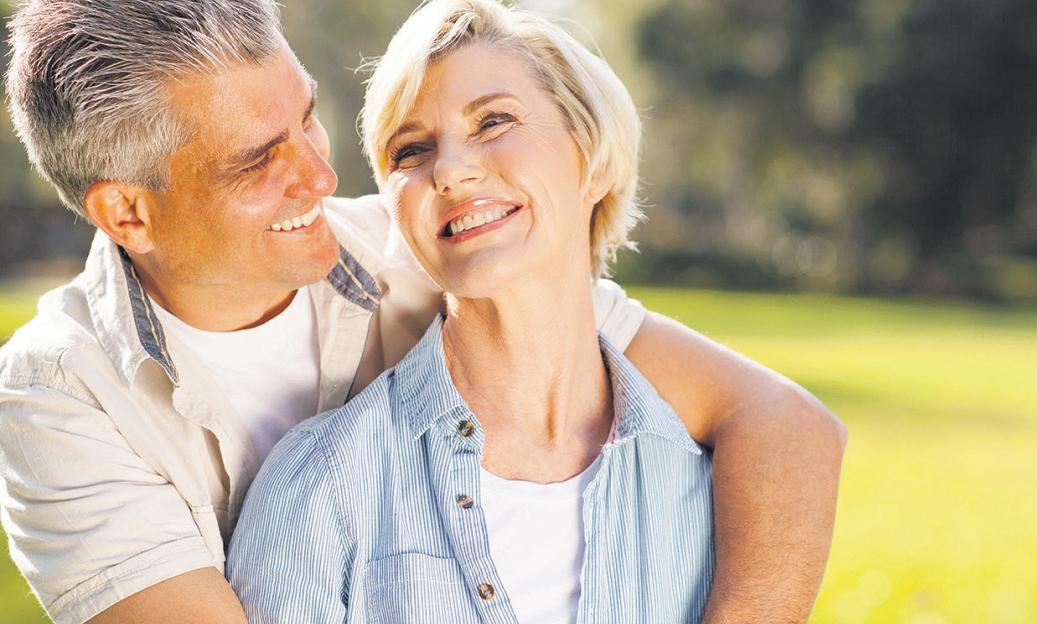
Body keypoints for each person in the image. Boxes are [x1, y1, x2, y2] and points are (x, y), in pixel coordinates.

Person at [0, 1, 845, 623]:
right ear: (128, 212)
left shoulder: (421, 244)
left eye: (307, 121)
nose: (322, 180)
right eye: (258, 161)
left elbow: (777, 420)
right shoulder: (60, 397)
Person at [227, 1, 716, 621]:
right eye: (411, 150)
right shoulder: (317, 486)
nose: (451, 171)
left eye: (493, 122)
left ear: (590, 158)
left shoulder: (705, 481)